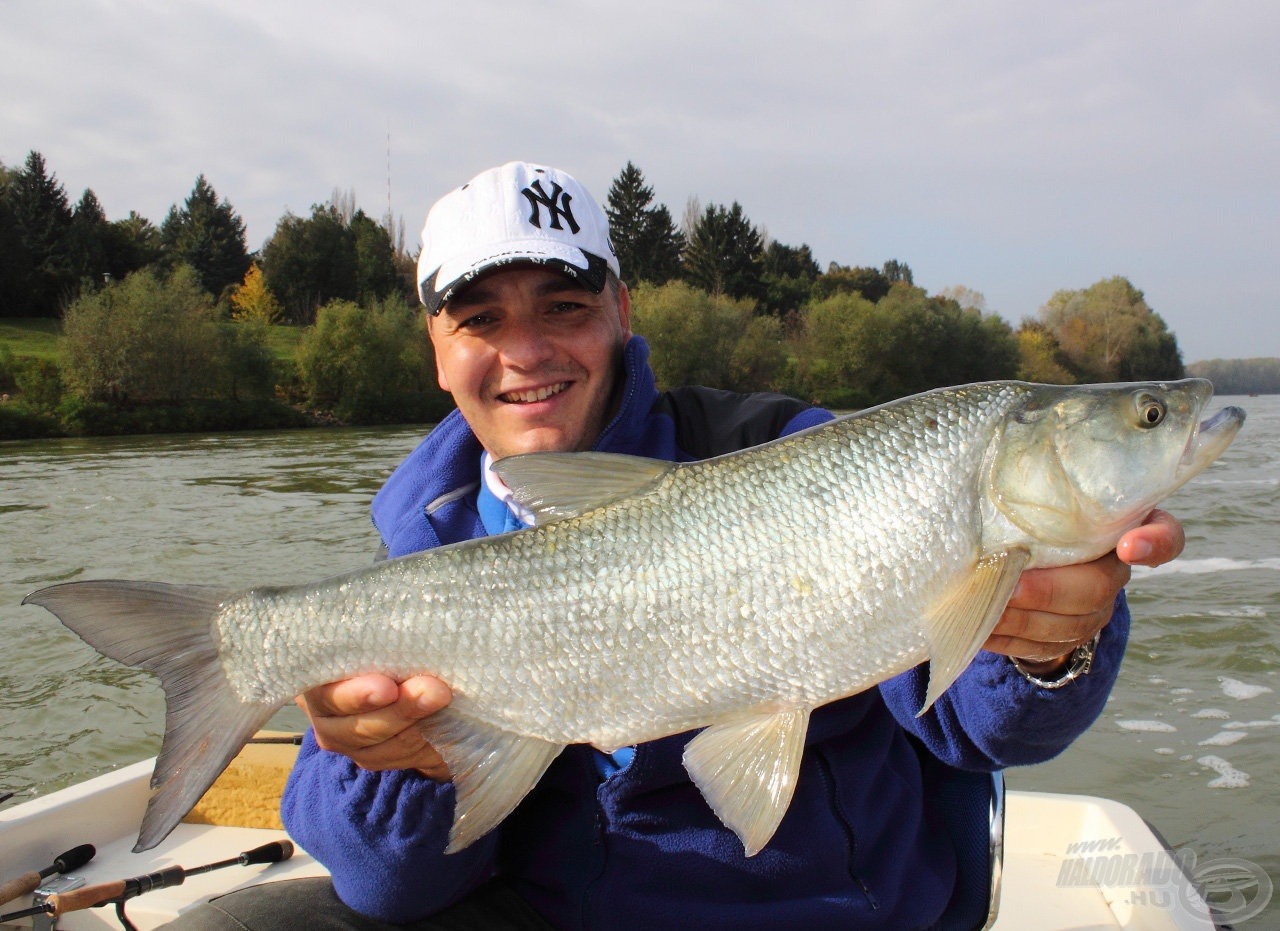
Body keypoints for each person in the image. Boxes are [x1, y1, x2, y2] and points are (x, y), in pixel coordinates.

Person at [172, 162, 1186, 930]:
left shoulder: (792, 452)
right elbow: (385, 885)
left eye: (562, 308)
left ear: (618, 310)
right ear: (437, 352)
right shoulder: (418, 546)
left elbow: (977, 730)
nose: (526, 352)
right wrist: (395, 760)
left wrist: (1050, 644)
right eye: (480, 320)